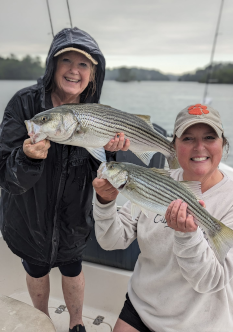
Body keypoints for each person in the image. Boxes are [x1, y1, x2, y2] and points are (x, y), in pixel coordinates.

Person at [0, 27, 129, 332]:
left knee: (73, 270)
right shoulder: (24, 104)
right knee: (35, 268)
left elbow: (106, 173)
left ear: (93, 73)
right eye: (66, 61)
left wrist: (112, 155)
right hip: (28, 218)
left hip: (73, 218)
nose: (74, 70)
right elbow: (6, 175)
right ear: (52, 66)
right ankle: (41, 318)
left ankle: (76, 322)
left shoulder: (98, 113)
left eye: (83, 64)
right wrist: (28, 157)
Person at [93, 103, 233, 332]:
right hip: (141, 308)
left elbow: (211, 281)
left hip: (200, 325)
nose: (199, 147)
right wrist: (105, 203)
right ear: (174, 146)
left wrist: (187, 237)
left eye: (209, 137)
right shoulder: (154, 180)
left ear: (222, 144)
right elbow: (110, 241)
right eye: (187, 138)